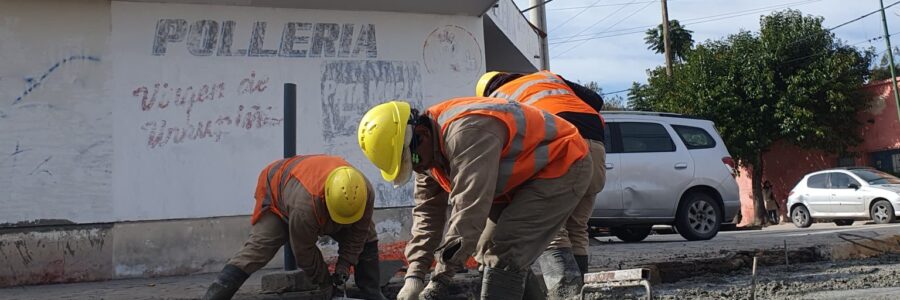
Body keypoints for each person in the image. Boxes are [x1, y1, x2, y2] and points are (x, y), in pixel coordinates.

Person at [357, 98, 592, 299]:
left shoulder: (467, 133)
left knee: (505, 252)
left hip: (563, 165)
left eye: (413, 160)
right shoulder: (427, 158)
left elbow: (469, 211)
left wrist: (439, 280)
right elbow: (427, 217)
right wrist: (414, 276)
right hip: (520, 181)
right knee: (484, 249)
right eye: (408, 166)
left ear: (422, 134)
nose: (417, 169)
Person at [476, 71, 607, 287]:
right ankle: (579, 291)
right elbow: (596, 99)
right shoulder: (548, 78)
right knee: (578, 226)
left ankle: (563, 291)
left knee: (553, 229)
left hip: (560, 143)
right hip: (596, 143)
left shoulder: (496, 99)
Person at [202, 155, 387, 300]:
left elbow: (358, 233)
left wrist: (344, 266)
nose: (342, 224)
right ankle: (215, 296)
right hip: (278, 188)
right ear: (326, 202)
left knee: (368, 235)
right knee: (259, 248)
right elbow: (304, 252)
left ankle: (372, 292)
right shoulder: (305, 208)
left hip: (309, 184)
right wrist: (327, 285)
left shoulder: (365, 191)